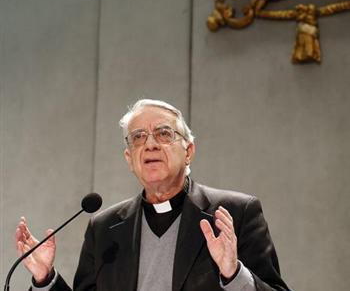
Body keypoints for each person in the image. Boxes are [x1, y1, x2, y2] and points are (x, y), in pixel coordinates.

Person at [16, 99, 291, 291]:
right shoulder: (104, 228)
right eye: (137, 137)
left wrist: (234, 274)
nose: (149, 144)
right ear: (129, 158)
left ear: (188, 151)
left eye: (163, 133)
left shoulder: (236, 213)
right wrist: (45, 279)